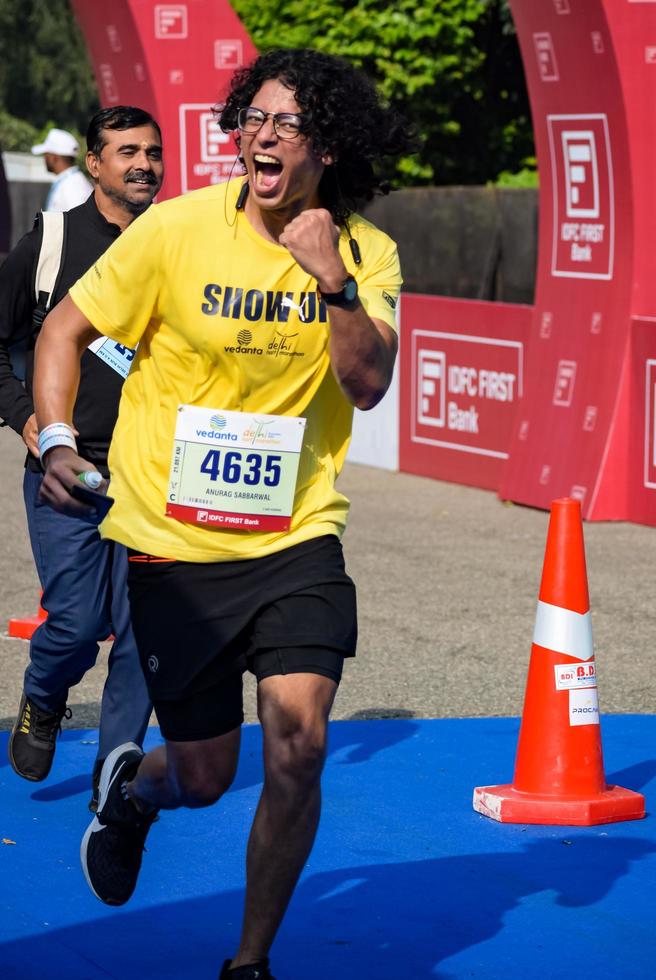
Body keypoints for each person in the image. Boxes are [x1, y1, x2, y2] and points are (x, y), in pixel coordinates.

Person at [33, 49, 414, 978]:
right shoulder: (178, 228)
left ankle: (249, 962)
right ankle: (135, 792)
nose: (265, 137)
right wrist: (52, 438)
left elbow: (367, 386)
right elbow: (65, 331)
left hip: (296, 536)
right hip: (174, 545)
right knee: (203, 779)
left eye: (288, 124)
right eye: (255, 119)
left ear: (328, 146)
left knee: (299, 745)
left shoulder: (365, 253)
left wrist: (331, 281)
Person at [0, 106, 164, 811]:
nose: (143, 164)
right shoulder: (51, 242)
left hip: (154, 477)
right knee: (72, 623)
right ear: (93, 165)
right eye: (126, 150)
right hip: (69, 468)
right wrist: (25, 415)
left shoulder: (176, 242)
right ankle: (44, 695)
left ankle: (115, 776)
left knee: (144, 631)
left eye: (154, 152)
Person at [31, 128, 93, 211]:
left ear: (54, 158)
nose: (44, 158)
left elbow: (80, 222)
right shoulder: (69, 182)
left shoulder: (72, 186)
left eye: (46, 154)